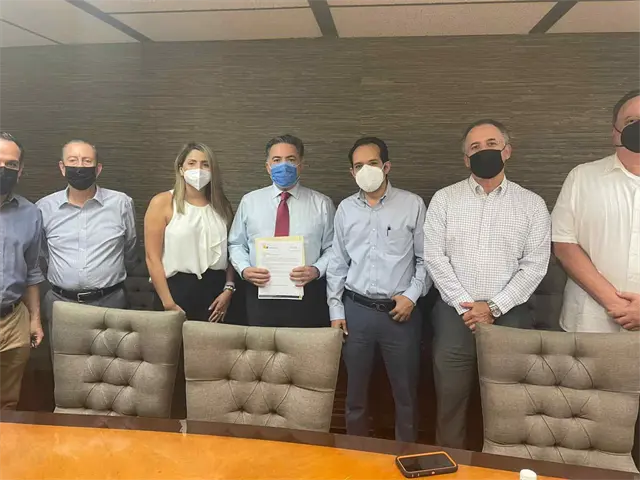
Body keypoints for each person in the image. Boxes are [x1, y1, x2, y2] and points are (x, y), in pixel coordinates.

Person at [424, 119, 551, 449]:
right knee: (449, 402)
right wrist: (467, 306)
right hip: (454, 316)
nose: (484, 152)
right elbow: (434, 258)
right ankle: (449, 463)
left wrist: (493, 307)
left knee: (509, 405)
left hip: (510, 316)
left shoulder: (532, 204)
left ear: (507, 151)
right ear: (466, 159)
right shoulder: (444, 199)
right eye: (475, 147)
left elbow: (534, 266)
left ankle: (503, 467)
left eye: (492, 144)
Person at [327, 137, 428, 443]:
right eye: (358, 166)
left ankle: (405, 456)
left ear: (386, 166)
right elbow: (337, 263)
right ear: (351, 172)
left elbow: (426, 260)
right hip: (356, 313)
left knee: (405, 395)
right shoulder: (345, 209)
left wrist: (412, 297)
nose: (365, 170)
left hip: (400, 314)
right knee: (355, 394)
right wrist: (336, 311)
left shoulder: (412, 204)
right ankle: (356, 456)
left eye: (372, 163)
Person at [552, 90, 640, 333]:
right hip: (589, 324)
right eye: (631, 121)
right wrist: (615, 304)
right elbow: (564, 246)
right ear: (615, 132)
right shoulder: (581, 177)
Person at [228, 134, 335, 327]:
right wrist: (244, 269)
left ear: (301, 165)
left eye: (291, 159)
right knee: (260, 345)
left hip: (307, 296)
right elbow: (236, 244)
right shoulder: (250, 202)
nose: (283, 165)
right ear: (268, 166)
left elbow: (333, 248)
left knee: (305, 346)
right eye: (277, 160)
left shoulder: (322, 204)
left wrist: (317, 270)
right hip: (258, 294)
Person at [37, 140, 137, 341]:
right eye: (73, 161)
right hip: (60, 304)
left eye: (87, 161)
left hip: (110, 302)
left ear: (98, 169)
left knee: (111, 359)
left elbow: (130, 248)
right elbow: (42, 254)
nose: (80, 167)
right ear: (62, 167)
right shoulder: (44, 208)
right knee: (63, 360)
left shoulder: (121, 204)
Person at [145, 142, 236, 322]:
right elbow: (152, 257)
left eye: (205, 164)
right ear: (181, 169)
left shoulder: (222, 206)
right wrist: (168, 303)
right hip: (175, 292)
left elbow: (232, 250)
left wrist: (229, 289)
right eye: (192, 163)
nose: (198, 170)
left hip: (216, 294)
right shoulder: (162, 202)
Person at [0, 132, 44, 410]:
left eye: (11, 164)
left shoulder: (30, 213)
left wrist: (35, 320)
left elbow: (32, 271)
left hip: (13, 320)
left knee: (7, 404)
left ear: (20, 171)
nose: (3, 169)